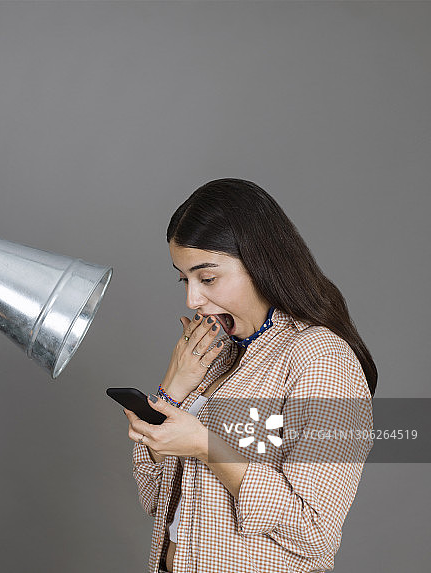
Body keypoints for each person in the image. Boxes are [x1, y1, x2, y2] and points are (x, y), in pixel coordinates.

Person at [124, 179, 376, 573]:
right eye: (183, 279)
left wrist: (206, 446)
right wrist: (172, 392)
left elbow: (313, 533)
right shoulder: (220, 359)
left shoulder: (322, 360)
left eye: (207, 279)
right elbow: (157, 502)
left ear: (262, 262)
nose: (192, 300)